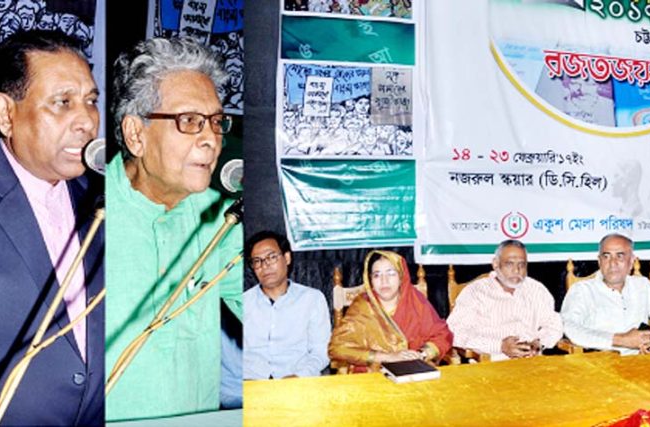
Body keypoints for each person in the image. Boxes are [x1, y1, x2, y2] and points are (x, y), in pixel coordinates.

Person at [105, 38, 242, 421]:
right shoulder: (86, 213)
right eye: (190, 122)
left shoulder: (222, 219)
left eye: (216, 122)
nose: (212, 140)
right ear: (136, 134)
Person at [0, 30, 103, 426]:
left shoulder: (105, 200)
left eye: (90, 101)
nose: (86, 121)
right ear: (6, 114)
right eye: (62, 102)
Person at [562, 234, 650, 355]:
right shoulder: (582, 290)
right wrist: (620, 340)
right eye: (606, 256)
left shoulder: (642, 285)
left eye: (620, 256)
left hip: (642, 362)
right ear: (599, 262)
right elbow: (569, 327)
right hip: (599, 364)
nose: (612, 263)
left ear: (631, 261)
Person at [329, 250, 452, 371]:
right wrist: (387, 357)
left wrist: (421, 355)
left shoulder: (415, 300)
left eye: (391, 273)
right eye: (377, 275)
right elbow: (337, 348)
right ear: (370, 280)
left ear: (401, 277)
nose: (384, 281)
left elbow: (442, 334)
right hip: (372, 374)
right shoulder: (362, 306)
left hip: (413, 371)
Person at [447, 240, 563, 360]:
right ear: (496, 264)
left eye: (522, 265)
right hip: (490, 365)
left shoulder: (536, 289)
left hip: (532, 362)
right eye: (509, 264)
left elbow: (554, 324)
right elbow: (455, 332)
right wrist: (499, 346)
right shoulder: (476, 292)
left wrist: (540, 342)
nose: (517, 270)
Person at [243, 230, 330, 379]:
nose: (265, 265)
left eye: (271, 257)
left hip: (298, 383)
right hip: (251, 383)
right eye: (257, 261)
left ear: (287, 258)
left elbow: (321, 352)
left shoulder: (312, 299)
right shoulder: (243, 302)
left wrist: (300, 376)